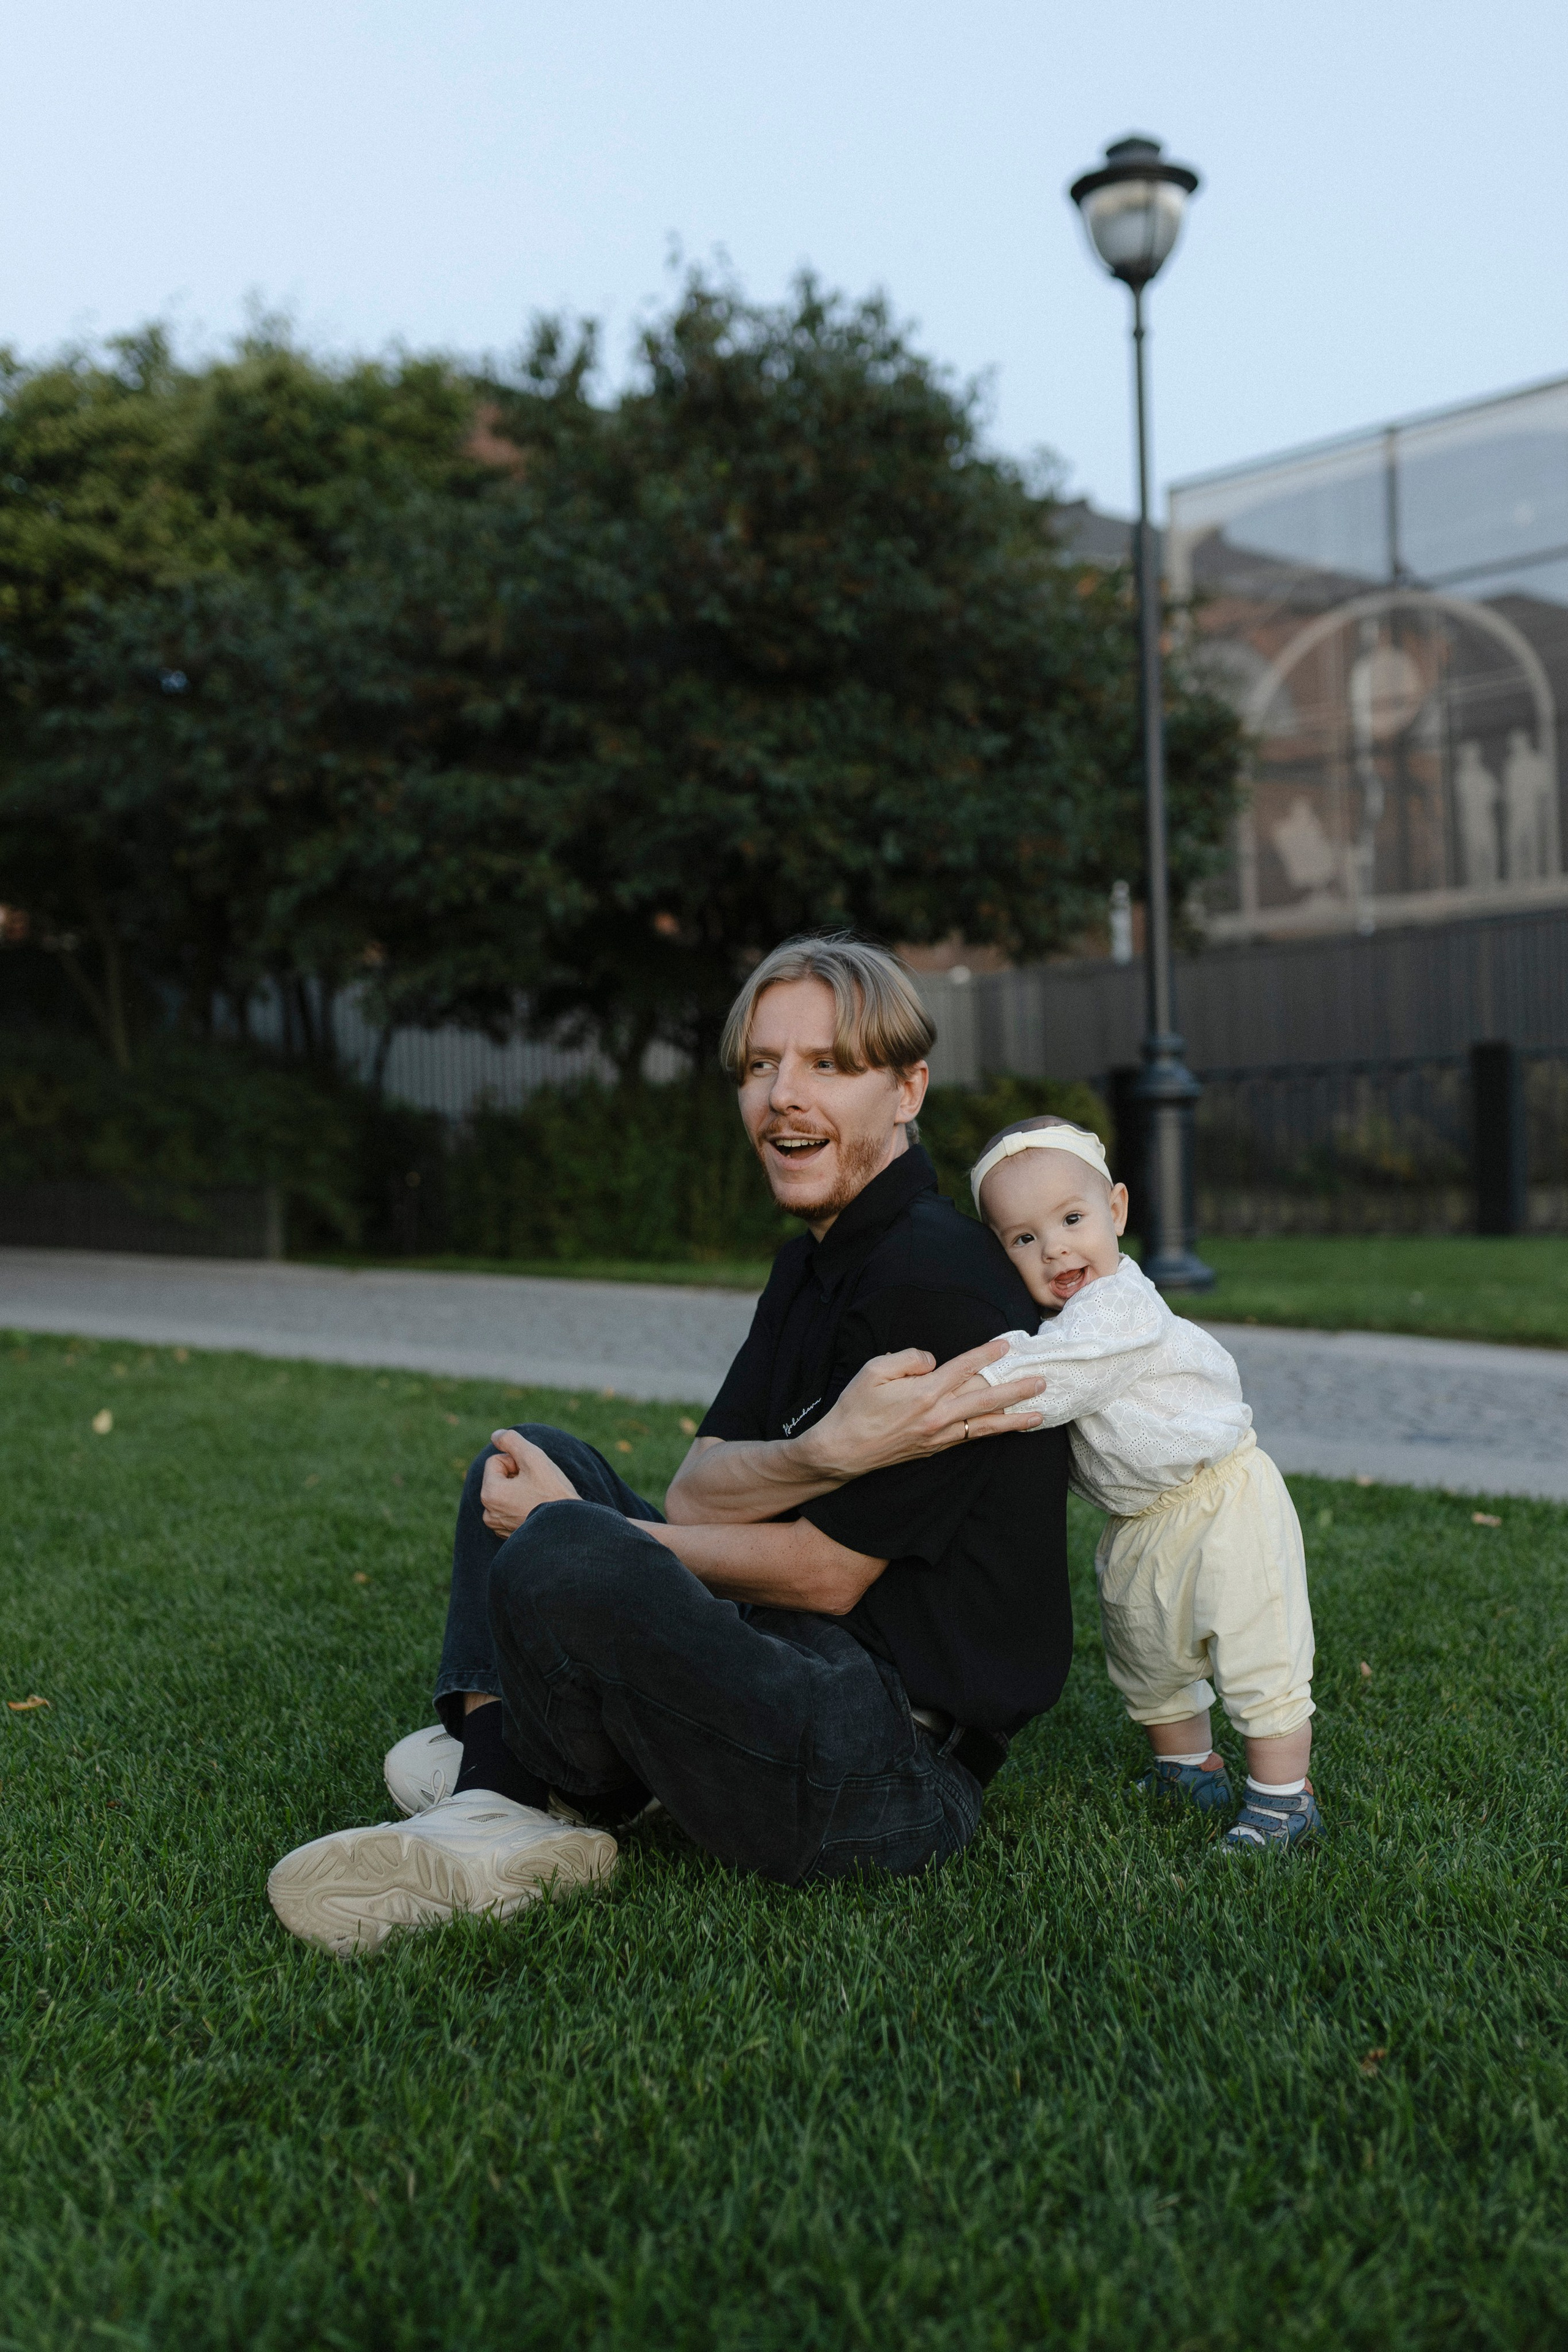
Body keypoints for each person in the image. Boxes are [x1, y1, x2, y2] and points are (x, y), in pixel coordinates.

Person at [267, 936, 1069, 1956]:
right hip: (786, 1661)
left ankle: (509, 1788)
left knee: (561, 1537)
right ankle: (527, 1786)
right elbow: (698, 1490)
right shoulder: (815, 1263)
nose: (783, 1096)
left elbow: (823, 1574)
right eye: (759, 1066)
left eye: (828, 1065)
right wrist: (825, 1451)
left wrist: (584, 1536)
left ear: (908, 1087)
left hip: (887, 1767)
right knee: (520, 1463)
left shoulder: (941, 1284)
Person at [966, 1115, 1321, 1852]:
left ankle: (1285, 1800)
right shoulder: (1055, 1320)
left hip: (1220, 1498)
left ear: (1116, 1211)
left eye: (1071, 1219)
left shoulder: (1116, 1307)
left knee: (1257, 1650)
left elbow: (1050, 1377)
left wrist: (957, 1394)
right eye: (1023, 1239)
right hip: (1138, 1520)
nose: (1056, 1247)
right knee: (1146, 1652)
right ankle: (1187, 1766)